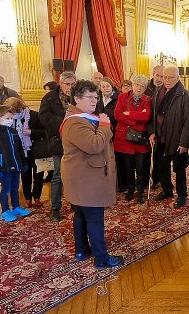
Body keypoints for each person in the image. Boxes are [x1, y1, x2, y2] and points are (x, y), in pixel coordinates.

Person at [62, 80, 124, 269]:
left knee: (81, 214)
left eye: (95, 97)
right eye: (89, 97)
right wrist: (105, 125)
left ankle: (82, 249)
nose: (94, 101)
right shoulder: (76, 121)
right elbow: (94, 145)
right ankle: (102, 258)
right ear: (77, 98)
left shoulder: (82, 117)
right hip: (86, 178)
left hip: (84, 175)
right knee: (94, 217)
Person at [149, 66, 189, 208]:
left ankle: (182, 195)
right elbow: (154, 116)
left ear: (177, 78)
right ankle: (167, 190)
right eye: (164, 77)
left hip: (177, 138)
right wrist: (152, 132)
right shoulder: (157, 92)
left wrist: (184, 143)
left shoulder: (183, 95)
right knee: (162, 167)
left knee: (179, 169)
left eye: (170, 77)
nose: (166, 81)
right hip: (161, 137)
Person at [39, 71, 76, 222]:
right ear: (61, 84)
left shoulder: (79, 96)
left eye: (73, 84)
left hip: (76, 142)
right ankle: (55, 208)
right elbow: (44, 118)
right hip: (57, 142)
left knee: (75, 175)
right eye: (67, 84)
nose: (70, 87)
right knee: (58, 176)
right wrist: (65, 120)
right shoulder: (49, 98)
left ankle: (75, 202)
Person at [0, 105, 32, 222]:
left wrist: (24, 162)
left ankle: (16, 207)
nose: (10, 121)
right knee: (6, 189)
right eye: (8, 118)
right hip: (3, 168)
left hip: (16, 166)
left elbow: (20, 148)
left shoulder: (14, 132)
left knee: (15, 188)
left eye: (11, 118)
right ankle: (5, 210)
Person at [114, 74, 152, 203]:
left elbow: (146, 117)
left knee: (141, 168)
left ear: (145, 88)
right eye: (137, 85)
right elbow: (117, 115)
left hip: (140, 141)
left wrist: (129, 114)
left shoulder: (148, 100)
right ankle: (130, 190)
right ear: (132, 85)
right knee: (128, 167)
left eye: (142, 86)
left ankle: (140, 191)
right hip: (125, 139)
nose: (139, 88)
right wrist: (137, 120)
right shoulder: (122, 97)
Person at [3, 97, 43, 208]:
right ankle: (27, 198)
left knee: (38, 174)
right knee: (25, 174)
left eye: (14, 110)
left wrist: (32, 132)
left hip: (35, 149)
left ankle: (37, 196)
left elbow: (45, 132)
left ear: (20, 108)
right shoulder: (10, 118)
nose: (12, 113)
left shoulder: (34, 115)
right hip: (20, 151)